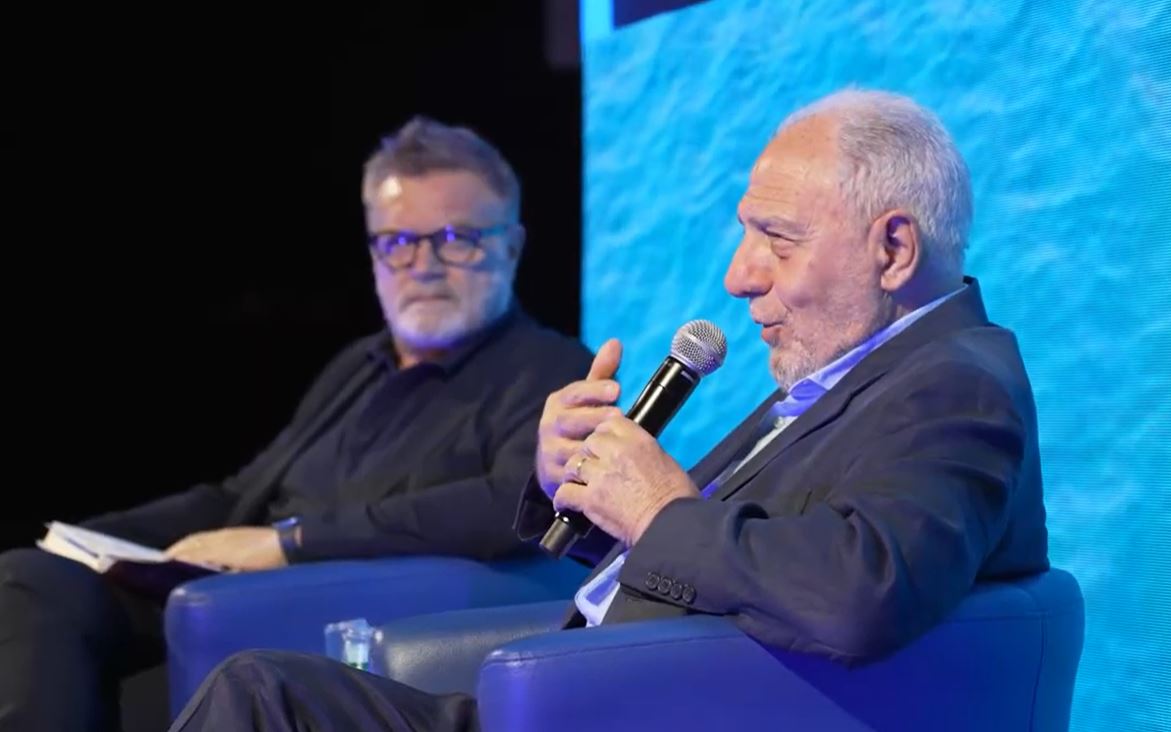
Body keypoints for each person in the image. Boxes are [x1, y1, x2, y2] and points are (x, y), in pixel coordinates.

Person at [168, 88, 1050, 732]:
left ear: (893, 248)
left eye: (776, 240)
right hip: (571, 698)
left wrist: (660, 507)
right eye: (746, 235)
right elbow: (729, 560)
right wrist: (581, 490)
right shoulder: (853, 373)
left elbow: (866, 591)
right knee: (263, 691)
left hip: (634, 712)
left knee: (261, 701)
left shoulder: (955, 382)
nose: (739, 276)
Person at [0, 117, 593, 732]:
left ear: (512, 246)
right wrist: (87, 539)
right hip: (223, 588)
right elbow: (239, 494)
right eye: (398, 242)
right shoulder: (357, 366)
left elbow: (508, 502)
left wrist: (289, 542)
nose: (424, 265)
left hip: (327, 606)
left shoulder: (552, 369)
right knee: (33, 576)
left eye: (455, 238)